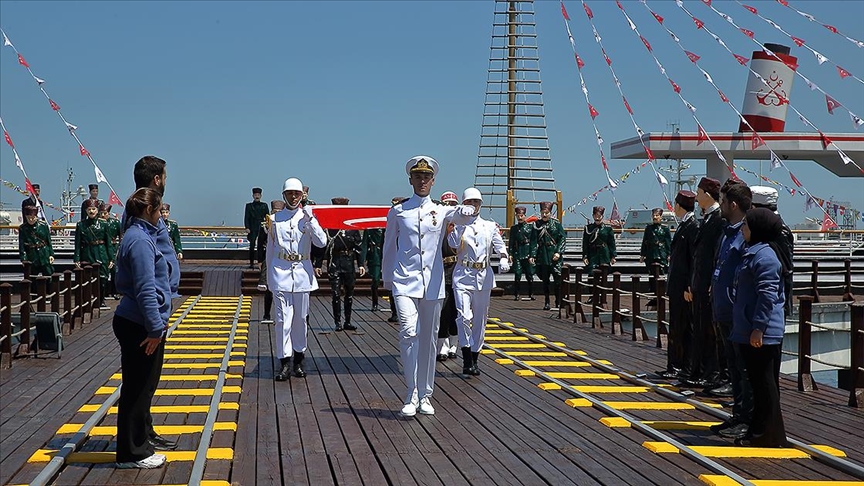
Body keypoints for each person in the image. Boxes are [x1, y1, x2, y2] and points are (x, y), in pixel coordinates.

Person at [382, 155, 472, 417]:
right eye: (418, 176)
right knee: (409, 332)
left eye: (426, 177)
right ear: (410, 180)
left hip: (432, 284)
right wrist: (387, 278)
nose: (422, 181)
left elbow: (460, 216)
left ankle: (425, 394)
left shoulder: (441, 210)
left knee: (429, 340)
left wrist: (468, 210)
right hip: (404, 281)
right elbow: (389, 247)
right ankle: (411, 393)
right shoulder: (398, 211)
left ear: (433, 181)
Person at [112, 187, 171, 469]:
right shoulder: (140, 241)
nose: (161, 215)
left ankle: (136, 445)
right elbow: (145, 289)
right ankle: (132, 453)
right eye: (159, 210)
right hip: (139, 324)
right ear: (149, 210)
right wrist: (155, 329)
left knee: (141, 386)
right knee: (138, 388)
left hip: (138, 321)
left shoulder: (138, 235)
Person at [731, 208, 788, 448]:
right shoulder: (752, 252)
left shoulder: (765, 257)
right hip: (748, 327)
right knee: (756, 383)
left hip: (762, 332)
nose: (743, 229)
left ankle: (769, 434)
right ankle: (757, 431)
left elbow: (767, 295)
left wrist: (759, 327)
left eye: (746, 225)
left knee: (765, 384)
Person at [266, 177, 327, 381]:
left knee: (301, 319)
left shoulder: (308, 217)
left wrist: (311, 220)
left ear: (302, 195)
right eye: (290, 193)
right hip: (280, 272)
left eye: (297, 193)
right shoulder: (274, 219)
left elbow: (321, 242)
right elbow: (270, 250)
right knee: (282, 320)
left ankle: (299, 359)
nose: (293, 197)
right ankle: (284, 361)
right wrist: (268, 278)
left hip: (302, 273)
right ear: (283, 195)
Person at [708, 181, 753, 439]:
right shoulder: (727, 233)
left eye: (723, 202)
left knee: (744, 368)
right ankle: (737, 414)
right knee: (734, 367)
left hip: (737, 312)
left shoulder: (745, 234)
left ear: (733, 205)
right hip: (724, 310)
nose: (721, 205)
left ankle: (746, 419)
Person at [448, 188, 509, 376]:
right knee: (463, 316)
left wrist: (504, 257)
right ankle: (466, 357)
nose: (473, 205)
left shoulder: (490, 226)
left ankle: (475, 356)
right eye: (470, 202)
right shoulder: (457, 225)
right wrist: (459, 221)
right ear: (464, 203)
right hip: (463, 274)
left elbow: (499, 245)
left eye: (476, 202)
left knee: (480, 319)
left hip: (483, 275)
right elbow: (453, 244)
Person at [686, 176, 724, 388]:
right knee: (700, 327)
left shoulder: (718, 219)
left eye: (699, 193)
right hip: (699, 282)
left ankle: (711, 372)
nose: (696, 197)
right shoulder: (707, 218)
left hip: (708, 283)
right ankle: (699, 370)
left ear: (708, 195)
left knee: (710, 331)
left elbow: (716, 253)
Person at [659, 190, 698, 380]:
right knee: (676, 326)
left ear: (679, 206)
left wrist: (689, 286)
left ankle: (681, 365)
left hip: (683, 287)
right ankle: (674, 364)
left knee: (683, 327)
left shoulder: (692, 226)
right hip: (676, 286)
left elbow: (692, 258)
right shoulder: (684, 224)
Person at [316, 197, 365, 332]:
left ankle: (347, 321)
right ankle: (337, 322)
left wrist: (361, 264)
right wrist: (318, 264)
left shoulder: (352, 226)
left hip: (348, 262)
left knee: (349, 294)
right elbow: (322, 246)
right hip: (335, 262)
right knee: (336, 294)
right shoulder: (329, 226)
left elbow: (358, 246)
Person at [750, 186, 794, 317]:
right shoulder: (768, 228)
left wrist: (785, 305)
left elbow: (786, 268)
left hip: (774, 301)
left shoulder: (780, 231)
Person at [75, 198, 112, 309]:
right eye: (89, 209)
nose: (91, 211)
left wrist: (111, 258)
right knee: (86, 278)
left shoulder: (104, 224)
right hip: (87, 252)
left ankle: (101, 300)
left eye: (94, 209)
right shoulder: (81, 225)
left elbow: (108, 242)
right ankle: (86, 301)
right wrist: (77, 258)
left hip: (101, 252)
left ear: (97, 210)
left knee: (103, 278)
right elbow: (77, 243)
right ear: (86, 210)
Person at [436, 191, 460, 362]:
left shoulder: (462, 226)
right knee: (443, 310)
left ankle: (454, 343)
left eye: (453, 204)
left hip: (458, 271)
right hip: (441, 271)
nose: (450, 207)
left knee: (456, 309)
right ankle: (442, 344)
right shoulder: (438, 226)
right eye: (447, 204)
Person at [534, 201, 567, 311]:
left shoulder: (556, 224)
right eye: (542, 213)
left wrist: (558, 252)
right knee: (545, 280)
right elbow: (533, 241)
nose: (544, 215)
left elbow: (562, 239)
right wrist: (532, 255)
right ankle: (547, 301)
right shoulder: (537, 225)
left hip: (554, 255)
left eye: (546, 213)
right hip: (543, 255)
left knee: (558, 280)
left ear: (550, 213)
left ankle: (558, 301)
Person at [257, 199, 285, 323]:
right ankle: (266, 314)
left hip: (283, 258)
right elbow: (260, 244)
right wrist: (260, 260)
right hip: (269, 257)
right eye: (274, 211)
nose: (276, 213)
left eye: (278, 211)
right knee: (269, 287)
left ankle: (282, 315)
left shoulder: (286, 224)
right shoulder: (265, 226)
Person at [640, 208, 671, 302]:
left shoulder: (665, 229)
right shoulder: (648, 228)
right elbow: (644, 242)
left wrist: (669, 254)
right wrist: (642, 255)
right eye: (653, 215)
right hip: (651, 253)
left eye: (657, 215)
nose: (655, 217)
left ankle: (661, 294)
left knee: (661, 273)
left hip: (661, 253)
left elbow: (668, 242)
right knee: (651, 274)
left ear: (660, 217)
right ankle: (653, 294)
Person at [508, 206, 536, 301]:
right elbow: (511, 242)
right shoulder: (514, 228)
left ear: (525, 216)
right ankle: (517, 294)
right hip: (518, 253)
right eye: (518, 216)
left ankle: (531, 293)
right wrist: (510, 253)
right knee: (517, 274)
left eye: (521, 215)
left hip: (527, 253)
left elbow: (533, 242)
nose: (520, 217)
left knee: (530, 275)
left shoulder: (530, 227)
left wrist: (532, 255)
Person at [386, 196, 406, 323]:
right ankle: (394, 311)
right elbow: (387, 243)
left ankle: (396, 312)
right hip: (394, 259)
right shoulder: (392, 220)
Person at [18, 205, 55, 276]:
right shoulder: (23, 228)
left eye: (33, 217)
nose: (31, 220)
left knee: (49, 274)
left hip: (44, 254)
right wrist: (23, 259)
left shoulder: (43, 226)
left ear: (36, 216)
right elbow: (21, 245)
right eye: (28, 218)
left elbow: (48, 241)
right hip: (32, 256)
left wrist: (51, 254)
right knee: (31, 277)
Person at [582, 205, 616, 275]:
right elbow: (585, 243)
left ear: (602, 216)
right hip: (592, 254)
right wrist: (585, 256)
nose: (597, 218)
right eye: (595, 216)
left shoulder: (608, 229)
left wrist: (613, 256)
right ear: (593, 216)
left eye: (599, 216)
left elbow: (611, 243)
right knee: (591, 272)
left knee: (605, 272)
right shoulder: (588, 228)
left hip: (604, 254)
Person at [360, 218, 385, 312]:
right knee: (375, 279)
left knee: (391, 281)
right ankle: (375, 303)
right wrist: (362, 262)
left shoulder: (386, 229)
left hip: (386, 255)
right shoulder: (369, 230)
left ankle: (394, 309)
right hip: (374, 256)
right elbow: (364, 245)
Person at [244, 187, 269, 269]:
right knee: (251, 246)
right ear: (253, 196)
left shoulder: (264, 205)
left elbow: (268, 217)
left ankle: (260, 262)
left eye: (258, 195)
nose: (257, 196)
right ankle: (251, 263)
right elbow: (246, 217)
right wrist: (247, 227)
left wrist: (267, 226)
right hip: (252, 228)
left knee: (261, 246)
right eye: (255, 195)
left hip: (261, 228)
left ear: (261, 196)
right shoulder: (249, 206)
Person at [101, 202, 122, 299]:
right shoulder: (99, 223)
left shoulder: (115, 223)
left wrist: (120, 247)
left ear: (108, 213)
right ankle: (103, 292)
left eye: (105, 213)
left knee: (114, 270)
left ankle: (115, 291)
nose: (103, 215)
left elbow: (121, 235)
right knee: (103, 270)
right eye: (101, 213)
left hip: (113, 247)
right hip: (102, 247)